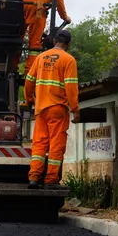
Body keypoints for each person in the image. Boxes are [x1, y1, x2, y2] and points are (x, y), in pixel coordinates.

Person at [23, 29, 80, 188]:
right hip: (58, 109)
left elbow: (28, 81)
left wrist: (29, 99)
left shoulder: (40, 57)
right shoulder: (69, 60)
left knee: (39, 144)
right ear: (68, 44)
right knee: (56, 144)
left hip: (40, 109)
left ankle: (34, 178)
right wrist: (75, 109)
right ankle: (51, 180)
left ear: (55, 41)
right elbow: (71, 87)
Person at [16, 0, 72, 74]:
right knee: (35, 43)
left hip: (18, 6)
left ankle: (12, 68)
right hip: (38, 7)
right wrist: (65, 17)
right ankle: (30, 72)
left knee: (17, 40)